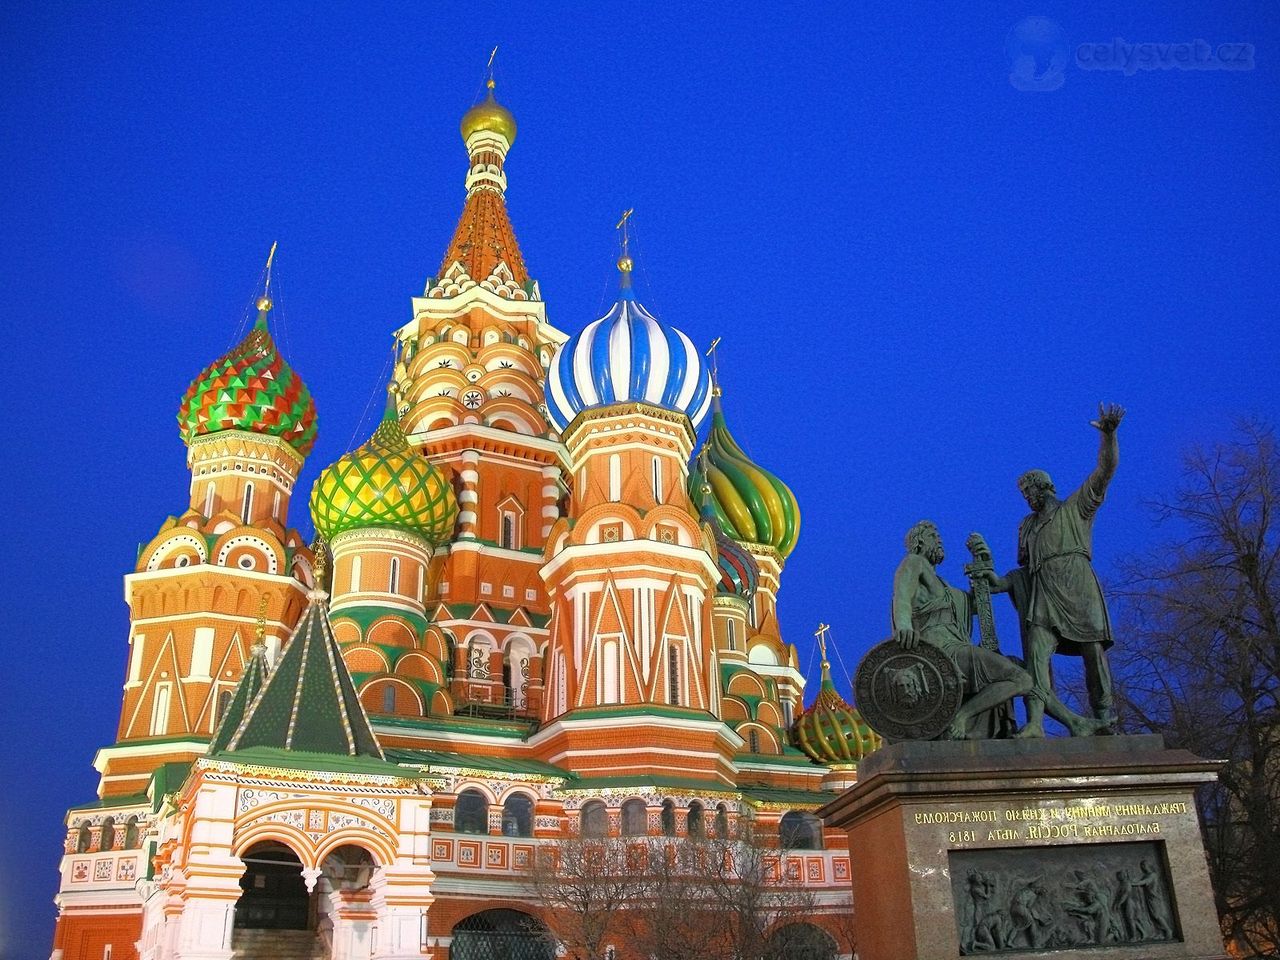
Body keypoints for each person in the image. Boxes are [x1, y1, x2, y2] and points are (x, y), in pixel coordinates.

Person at [987, 403, 1124, 737]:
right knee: (1035, 656)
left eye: (1029, 491)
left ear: (1043, 487)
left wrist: (1108, 436)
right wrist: (999, 582)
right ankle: (1035, 722)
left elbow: (1104, 473)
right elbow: (1024, 574)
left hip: (1078, 585)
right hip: (1044, 597)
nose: (1026, 498)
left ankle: (1104, 715)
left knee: (1093, 652)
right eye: (1023, 494)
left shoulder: (1075, 509)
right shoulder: (1027, 526)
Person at [892, 521, 1033, 739]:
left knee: (1020, 669)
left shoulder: (943, 584)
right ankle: (962, 717)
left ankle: (1063, 723)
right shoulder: (914, 562)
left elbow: (975, 606)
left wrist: (983, 566)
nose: (939, 539)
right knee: (1021, 678)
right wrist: (903, 625)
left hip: (958, 646)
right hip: (941, 651)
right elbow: (901, 596)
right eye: (933, 535)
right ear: (919, 542)